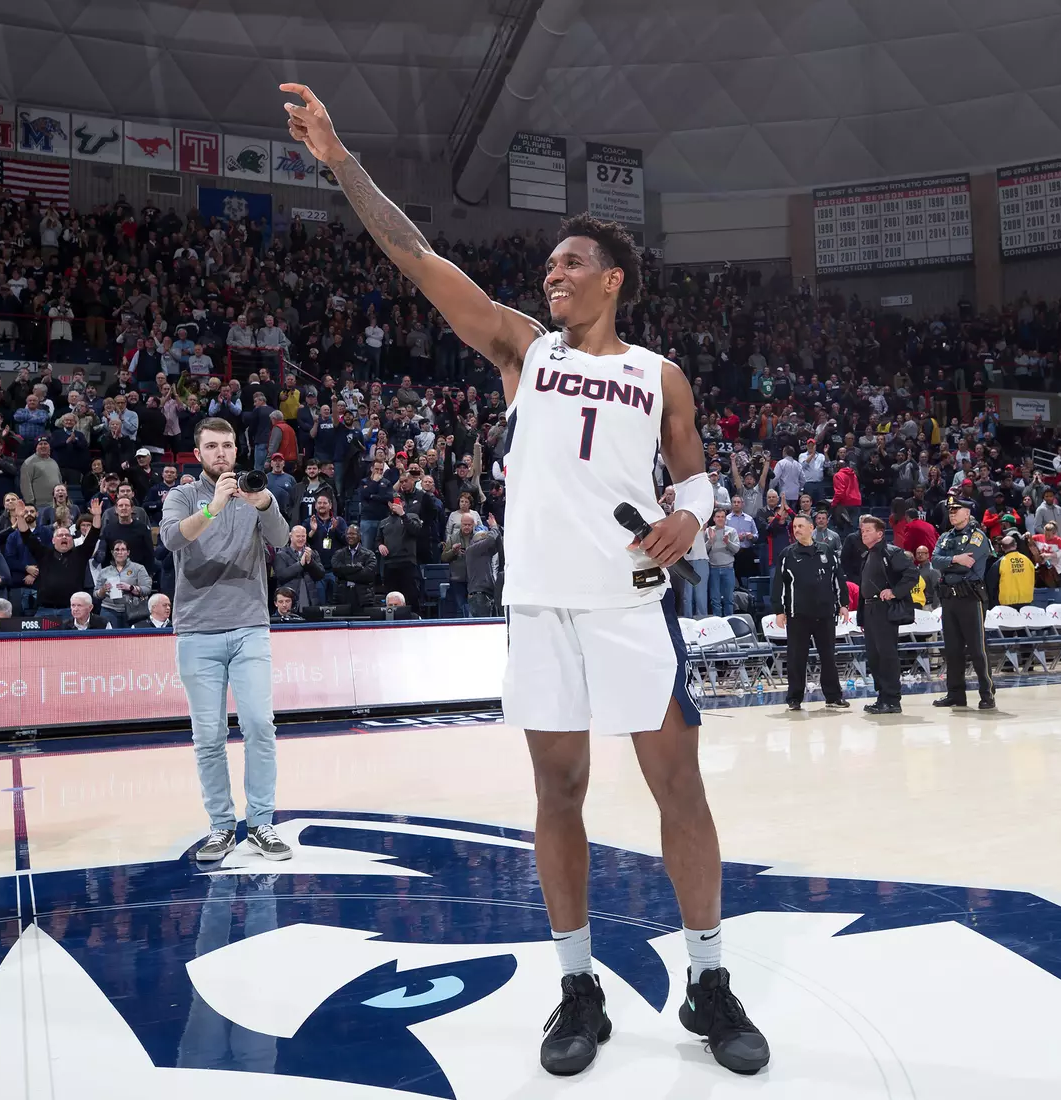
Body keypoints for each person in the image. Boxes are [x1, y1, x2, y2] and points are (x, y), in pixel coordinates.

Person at [282, 83, 768, 1076]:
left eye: (572, 261)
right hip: (543, 609)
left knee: (680, 786)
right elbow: (417, 256)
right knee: (559, 789)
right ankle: (578, 984)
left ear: (614, 280)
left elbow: (699, 470)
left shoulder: (659, 373)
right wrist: (340, 164)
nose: (553, 272)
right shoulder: (521, 347)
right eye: (548, 262)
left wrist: (695, 512)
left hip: (633, 604)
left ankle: (709, 978)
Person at [159, 418, 295, 862]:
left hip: (249, 627)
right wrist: (214, 506)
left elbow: (280, 539)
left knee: (259, 725)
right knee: (210, 737)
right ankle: (221, 826)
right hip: (197, 631)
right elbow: (172, 538)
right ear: (198, 454)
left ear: (237, 450)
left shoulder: (253, 495)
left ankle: (261, 823)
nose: (221, 453)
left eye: (228, 446)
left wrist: (265, 502)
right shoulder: (183, 495)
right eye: (212, 446)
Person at [770, 513, 849, 711]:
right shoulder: (787, 554)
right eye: (794, 527)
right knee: (797, 658)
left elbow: (838, 579)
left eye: (800, 526)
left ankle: (833, 696)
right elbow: (778, 584)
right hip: (798, 615)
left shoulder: (827, 550)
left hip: (825, 614)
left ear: (811, 528)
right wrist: (779, 611)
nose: (796, 530)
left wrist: (843, 604)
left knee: (828, 656)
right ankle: (794, 698)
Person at [930, 496, 994, 710]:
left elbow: (968, 566)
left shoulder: (977, 537)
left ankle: (987, 694)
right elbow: (934, 561)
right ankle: (955, 694)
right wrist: (956, 559)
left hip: (970, 598)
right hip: (949, 598)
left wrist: (949, 562)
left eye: (957, 509)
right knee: (952, 649)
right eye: (950, 509)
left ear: (967, 513)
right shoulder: (946, 537)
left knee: (977, 649)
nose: (952, 512)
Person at [857, 514, 918, 715]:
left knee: (886, 655)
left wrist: (894, 591)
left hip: (884, 609)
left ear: (880, 533)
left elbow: (912, 574)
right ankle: (882, 696)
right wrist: (861, 617)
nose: (863, 533)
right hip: (870, 609)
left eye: (868, 530)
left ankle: (892, 699)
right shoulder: (867, 555)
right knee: (874, 656)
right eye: (862, 530)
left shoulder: (891, 552)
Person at [996, 534, 1035, 608]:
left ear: (1002, 548)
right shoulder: (1027, 561)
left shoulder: (1000, 563)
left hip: (1007, 606)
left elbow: (991, 584)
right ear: (1015, 545)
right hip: (1027, 603)